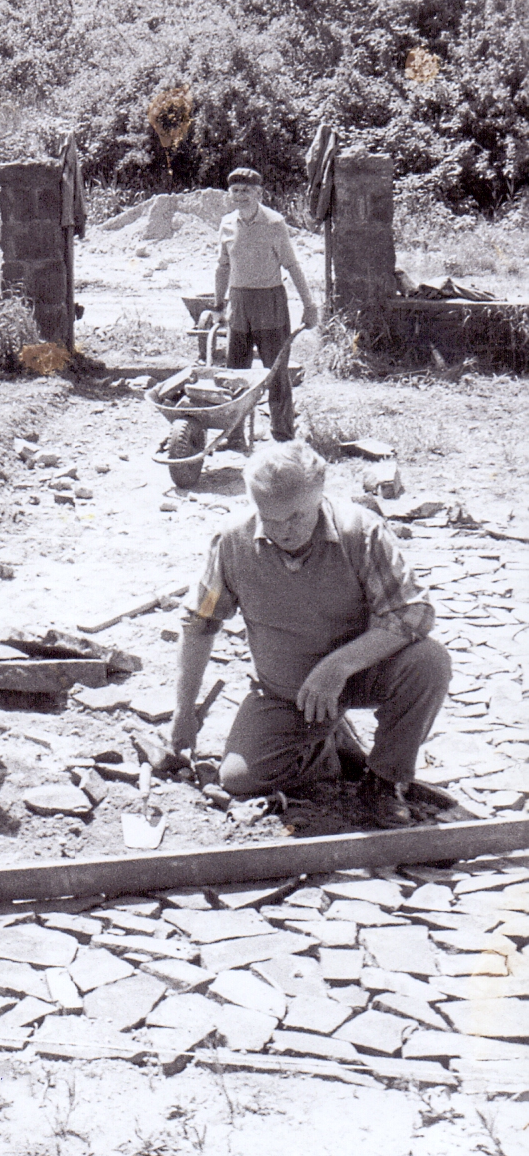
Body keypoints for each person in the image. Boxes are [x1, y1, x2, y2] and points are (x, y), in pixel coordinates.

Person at [170, 441, 451, 828]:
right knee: (239, 779)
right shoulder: (232, 541)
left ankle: (385, 780)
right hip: (287, 692)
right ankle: (330, 745)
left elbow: (413, 612)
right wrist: (184, 712)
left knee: (429, 661)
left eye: (297, 516)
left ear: (320, 494)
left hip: (362, 673)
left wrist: (338, 666)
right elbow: (199, 623)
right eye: (270, 518)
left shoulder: (360, 532)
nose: (284, 530)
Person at [212, 168, 318, 448]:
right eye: (235, 190)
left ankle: (283, 436)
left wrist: (309, 305)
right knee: (235, 372)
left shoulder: (274, 223)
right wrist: (218, 304)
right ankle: (234, 435)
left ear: (259, 193)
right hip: (239, 304)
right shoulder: (227, 224)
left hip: (270, 304)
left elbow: (292, 265)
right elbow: (222, 267)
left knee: (276, 372)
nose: (240, 196)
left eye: (246, 190)